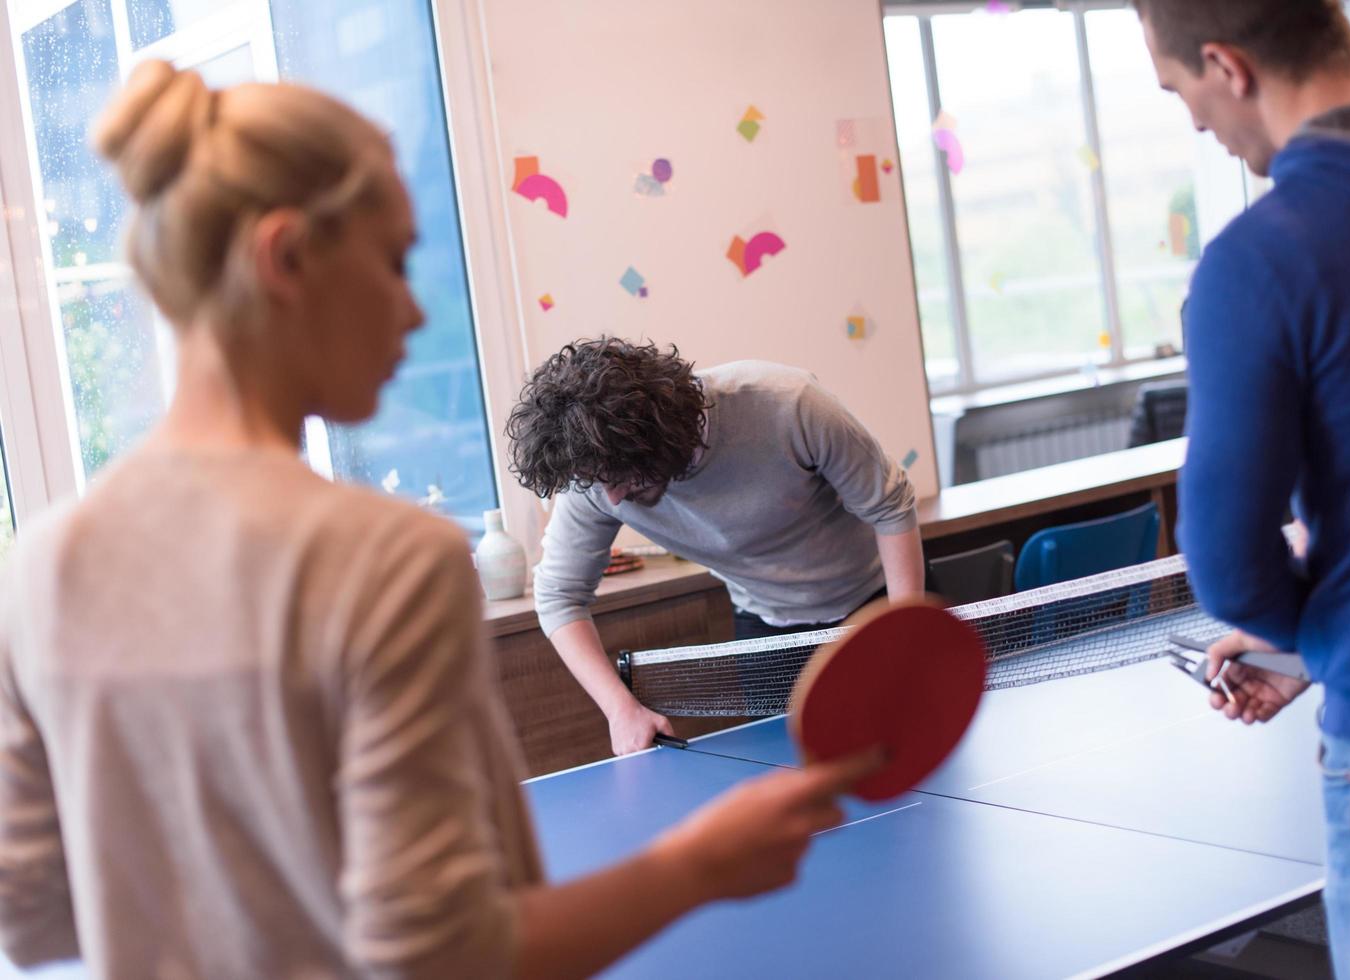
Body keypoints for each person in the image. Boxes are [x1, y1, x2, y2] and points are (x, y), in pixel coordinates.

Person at [0, 61, 878, 979]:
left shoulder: (40, 567)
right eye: (391, 261)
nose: (414, 311)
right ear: (285, 257)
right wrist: (697, 864)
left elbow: (28, 916)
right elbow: (449, 956)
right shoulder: (379, 558)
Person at [1131, 1, 1350, 974]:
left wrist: (1322, 634)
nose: (1194, 122)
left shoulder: (1261, 261)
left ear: (1226, 67)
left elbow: (1231, 562)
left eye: (1179, 90)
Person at [506, 341, 924, 754]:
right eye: (597, 481)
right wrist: (620, 709)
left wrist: (904, 635)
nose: (611, 498)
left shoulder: (787, 404)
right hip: (768, 632)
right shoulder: (597, 480)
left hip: (879, 602)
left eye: (622, 478)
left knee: (913, 755)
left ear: (661, 436)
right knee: (802, 789)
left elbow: (889, 507)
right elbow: (558, 596)